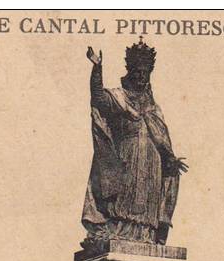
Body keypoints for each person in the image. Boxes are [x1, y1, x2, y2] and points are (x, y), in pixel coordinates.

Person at [81, 39, 188, 249]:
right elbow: (99, 98)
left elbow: (162, 138)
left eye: (145, 72)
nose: (141, 76)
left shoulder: (154, 107)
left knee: (148, 202)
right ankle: (117, 231)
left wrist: (170, 160)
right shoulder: (119, 97)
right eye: (137, 71)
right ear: (129, 70)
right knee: (122, 200)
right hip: (126, 157)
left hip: (152, 163)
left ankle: (148, 235)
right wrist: (97, 69)